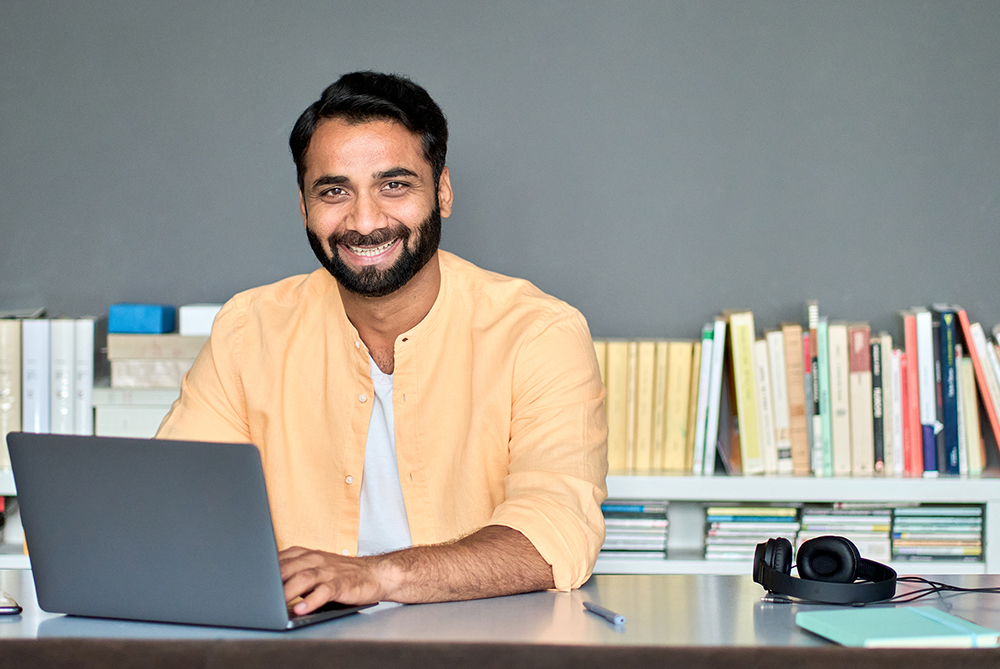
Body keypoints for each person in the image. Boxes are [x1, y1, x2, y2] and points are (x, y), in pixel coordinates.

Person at [156, 71, 608, 614]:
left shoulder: (538, 334)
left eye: (394, 185)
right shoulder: (247, 329)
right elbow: (175, 511)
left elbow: (556, 534)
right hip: (297, 639)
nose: (365, 221)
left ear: (442, 191)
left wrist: (376, 575)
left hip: (474, 639)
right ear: (303, 206)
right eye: (334, 191)